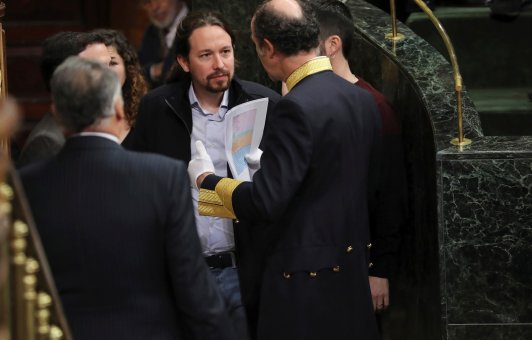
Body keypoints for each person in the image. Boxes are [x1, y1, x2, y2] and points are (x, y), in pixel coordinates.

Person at [188, 0, 381, 339]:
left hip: (305, 286)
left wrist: (207, 181)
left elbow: (265, 201)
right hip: (349, 274)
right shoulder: (360, 97)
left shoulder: (295, 107)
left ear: (268, 48)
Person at [20, 57, 235, 340]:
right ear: (119, 111)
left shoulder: (27, 185)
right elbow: (192, 284)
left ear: (56, 114)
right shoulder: (162, 177)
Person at [123, 11, 280, 340]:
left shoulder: (263, 103)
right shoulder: (158, 107)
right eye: (206, 55)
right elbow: (132, 178)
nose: (219, 63)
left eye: (225, 52)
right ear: (183, 61)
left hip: (243, 268)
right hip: (184, 270)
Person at [305, 0, 408, 316]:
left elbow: (390, 194)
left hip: (357, 263)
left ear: (332, 45)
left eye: (305, 44)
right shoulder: (299, 102)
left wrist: (380, 268)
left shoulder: (373, 108)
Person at [17, 31, 112, 168]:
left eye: (111, 64)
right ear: (65, 78)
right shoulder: (47, 142)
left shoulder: (101, 122)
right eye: (98, 68)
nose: (112, 76)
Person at [139, 0, 189, 87]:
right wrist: (154, 70)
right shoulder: (151, 31)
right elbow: (138, 72)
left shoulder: (197, 26)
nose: (154, 7)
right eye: (147, 2)